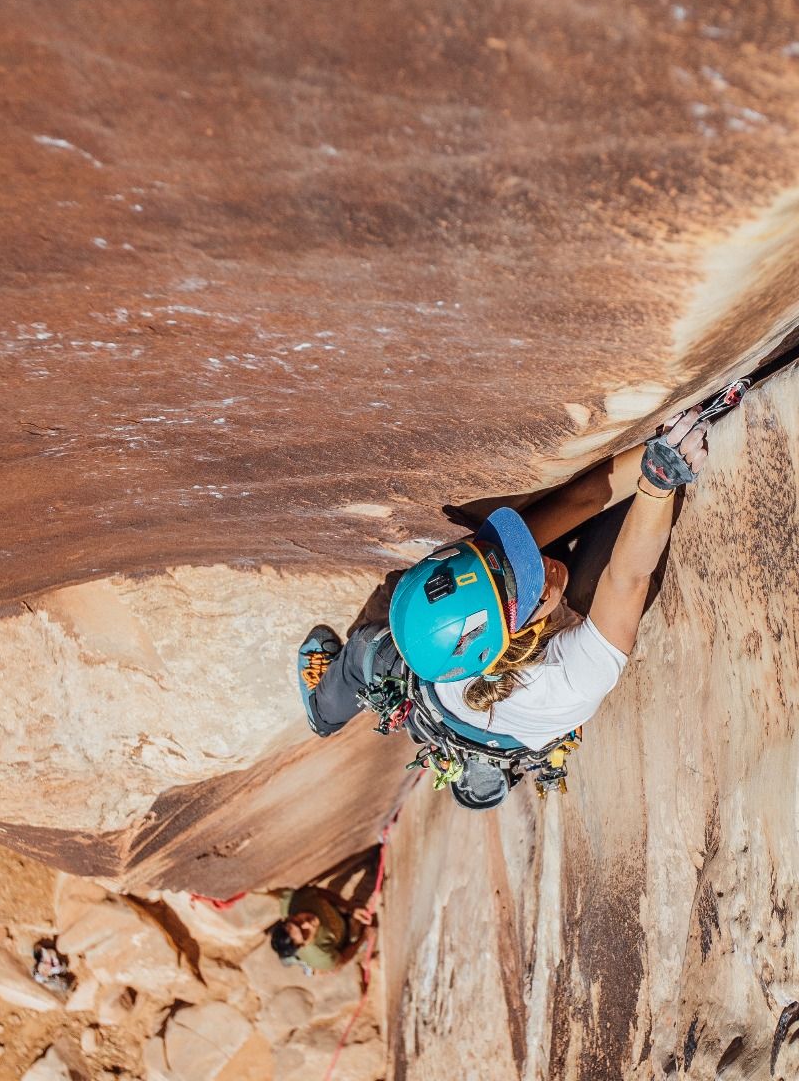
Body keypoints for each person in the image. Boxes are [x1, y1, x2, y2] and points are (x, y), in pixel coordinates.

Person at [296, 403, 717, 804]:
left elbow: (578, 503)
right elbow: (627, 578)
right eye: (532, 580)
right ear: (524, 630)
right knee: (365, 652)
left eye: (517, 560)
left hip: (441, 673)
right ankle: (324, 712)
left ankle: (343, 721)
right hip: (493, 707)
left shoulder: (475, 595)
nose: (540, 562)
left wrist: (655, 453)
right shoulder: (570, 681)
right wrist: (660, 482)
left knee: (383, 628)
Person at [268, 885, 367, 974]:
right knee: (331, 969)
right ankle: (294, 960)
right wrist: (363, 937)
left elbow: (317, 892)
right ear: (304, 944)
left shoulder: (297, 900)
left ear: (289, 917)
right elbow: (341, 961)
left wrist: (348, 906)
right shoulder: (319, 955)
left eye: (297, 922)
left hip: (338, 916)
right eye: (304, 933)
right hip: (342, 940)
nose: (307, 923)